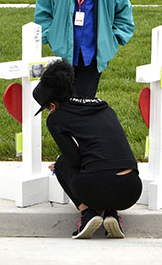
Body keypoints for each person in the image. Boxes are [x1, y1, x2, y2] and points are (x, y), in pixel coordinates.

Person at [33, 60, 142, 239]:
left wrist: (62, 163)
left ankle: (87, 214)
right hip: (132, 189)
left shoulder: (56, 118)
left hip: (96, 188)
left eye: (46, 108)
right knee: (105, 166)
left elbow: (74, 160)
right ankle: (111, 214)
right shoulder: (104, 107)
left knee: (62, 164)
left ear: (52, 105)